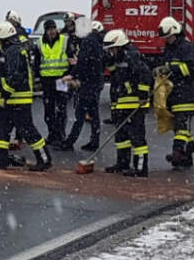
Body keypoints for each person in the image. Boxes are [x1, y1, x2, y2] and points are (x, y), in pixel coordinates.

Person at [0, 21, 52, 171]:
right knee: (1, 129)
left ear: (4, 38)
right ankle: (0, 160)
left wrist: (5, 94)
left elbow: (15, 76)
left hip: (17, 99)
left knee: (27, 130)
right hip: (9, 99)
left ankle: (44, 159)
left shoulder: (13, 51)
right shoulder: (10, 50)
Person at [157, 16, 194, 169]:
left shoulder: (187, 47)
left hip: (187, 93)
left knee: (181, 125)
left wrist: (171, 69)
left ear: (176, 33)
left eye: (168, 37)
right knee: (179, 127)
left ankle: (177, 153)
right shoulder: (170, 48)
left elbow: (192, 69)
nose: (167, 40)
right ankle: (188, 153)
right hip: (175, 94)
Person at [103, 28, 151, 177]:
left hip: (134, 102)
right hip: (121, 102)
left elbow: (145, 75)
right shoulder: (118, 58)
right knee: (121, 135)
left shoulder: (132, 56)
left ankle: (140, 168)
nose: (110, 51)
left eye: (112, 49)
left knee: (137, 137)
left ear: (118, 45)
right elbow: (114, 73)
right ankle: (122, 163)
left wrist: (142, 95)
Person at [66, 21, 106, 150]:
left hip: (88, 83)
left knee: (80, 113)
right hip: (97, 81)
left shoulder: (88, 42)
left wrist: (73, 76)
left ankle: (70, 141)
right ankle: (94, 141)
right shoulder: (99, 42)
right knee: (94, 114)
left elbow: (83, 62)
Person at [38, 20, 70, 148]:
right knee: (48, 110)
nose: (52, 31)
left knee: (61, 110)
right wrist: (38, 79)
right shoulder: (40, 43)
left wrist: (70, 75)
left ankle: (60, 136)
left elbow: (72, 58)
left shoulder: (64, 41)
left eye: (53, 28)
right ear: (45, 31)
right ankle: (52, 134)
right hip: (47, 81)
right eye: (49, 29)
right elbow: (37, 62)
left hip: (61, 79)